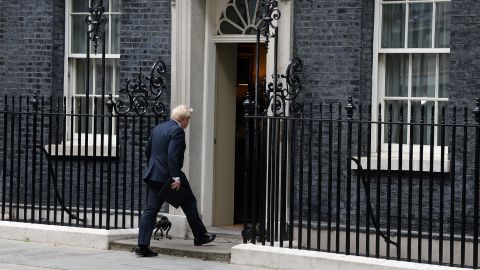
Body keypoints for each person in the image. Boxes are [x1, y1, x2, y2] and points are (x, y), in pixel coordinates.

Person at [135, 105, 216, 257]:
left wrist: (154, 167)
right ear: (184, 119)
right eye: (188, 119)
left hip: (154, 174)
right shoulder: (177, 131)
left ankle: (142, 245)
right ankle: (200, 236)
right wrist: (176, 177)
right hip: (170, 176)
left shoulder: (158, 128)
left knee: (150, 209)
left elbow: (147, 150)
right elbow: (173, 156)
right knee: (190, 202)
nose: (188, 123)